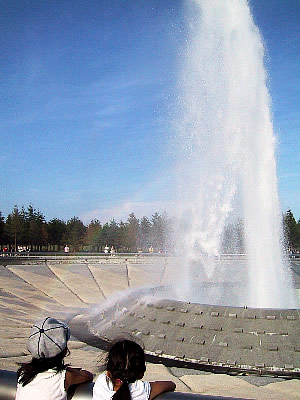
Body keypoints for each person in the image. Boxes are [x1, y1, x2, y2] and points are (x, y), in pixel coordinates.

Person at [16, 317, 93, 400]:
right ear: (63, 351)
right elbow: (88, 376)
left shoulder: (23, 374)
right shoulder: (64, 376)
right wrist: (71, 370)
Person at [93, 339, 175, 400]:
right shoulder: (141, 389)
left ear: (108, 372)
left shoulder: (101, 382)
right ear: (141, 374)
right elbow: (171, 385)